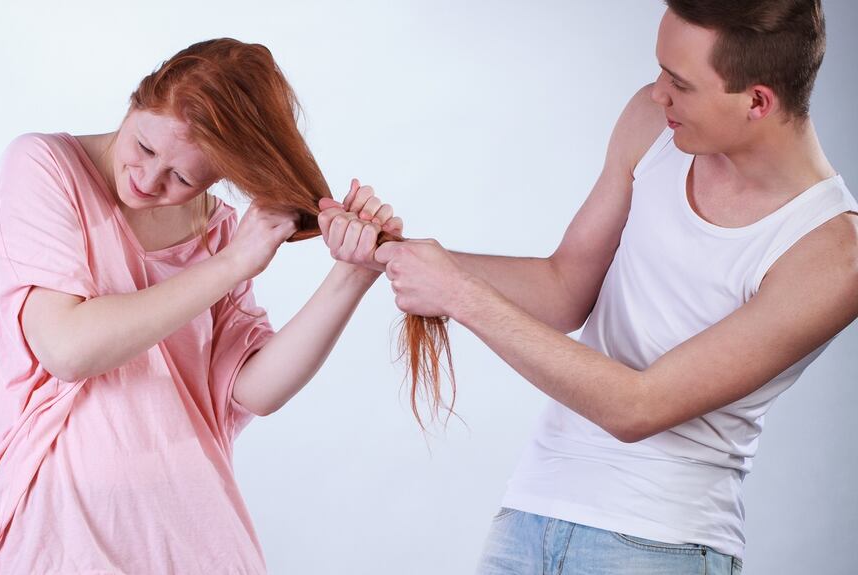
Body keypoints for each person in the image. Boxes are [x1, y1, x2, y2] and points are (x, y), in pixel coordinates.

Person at [319, 1, 857, 572]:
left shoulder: (830, 256)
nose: (657, 94)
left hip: (662, 542)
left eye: (680, 83)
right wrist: (398, 255)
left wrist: (456, 293)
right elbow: (563, 287)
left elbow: (637, 406)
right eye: (659, 71)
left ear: (757, 101)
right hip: (531, 511)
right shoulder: (655, 130)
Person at [0, 38, 399, 574]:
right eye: (143, 147)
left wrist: (352, 274)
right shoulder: (43, 167)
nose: (147, 180)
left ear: (222, 178)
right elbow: (68, 347)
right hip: (60, 536)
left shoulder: (216, 229)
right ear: (135, 102)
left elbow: (253, 389)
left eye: (183, 178)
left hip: (195, 537)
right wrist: (234, 264)